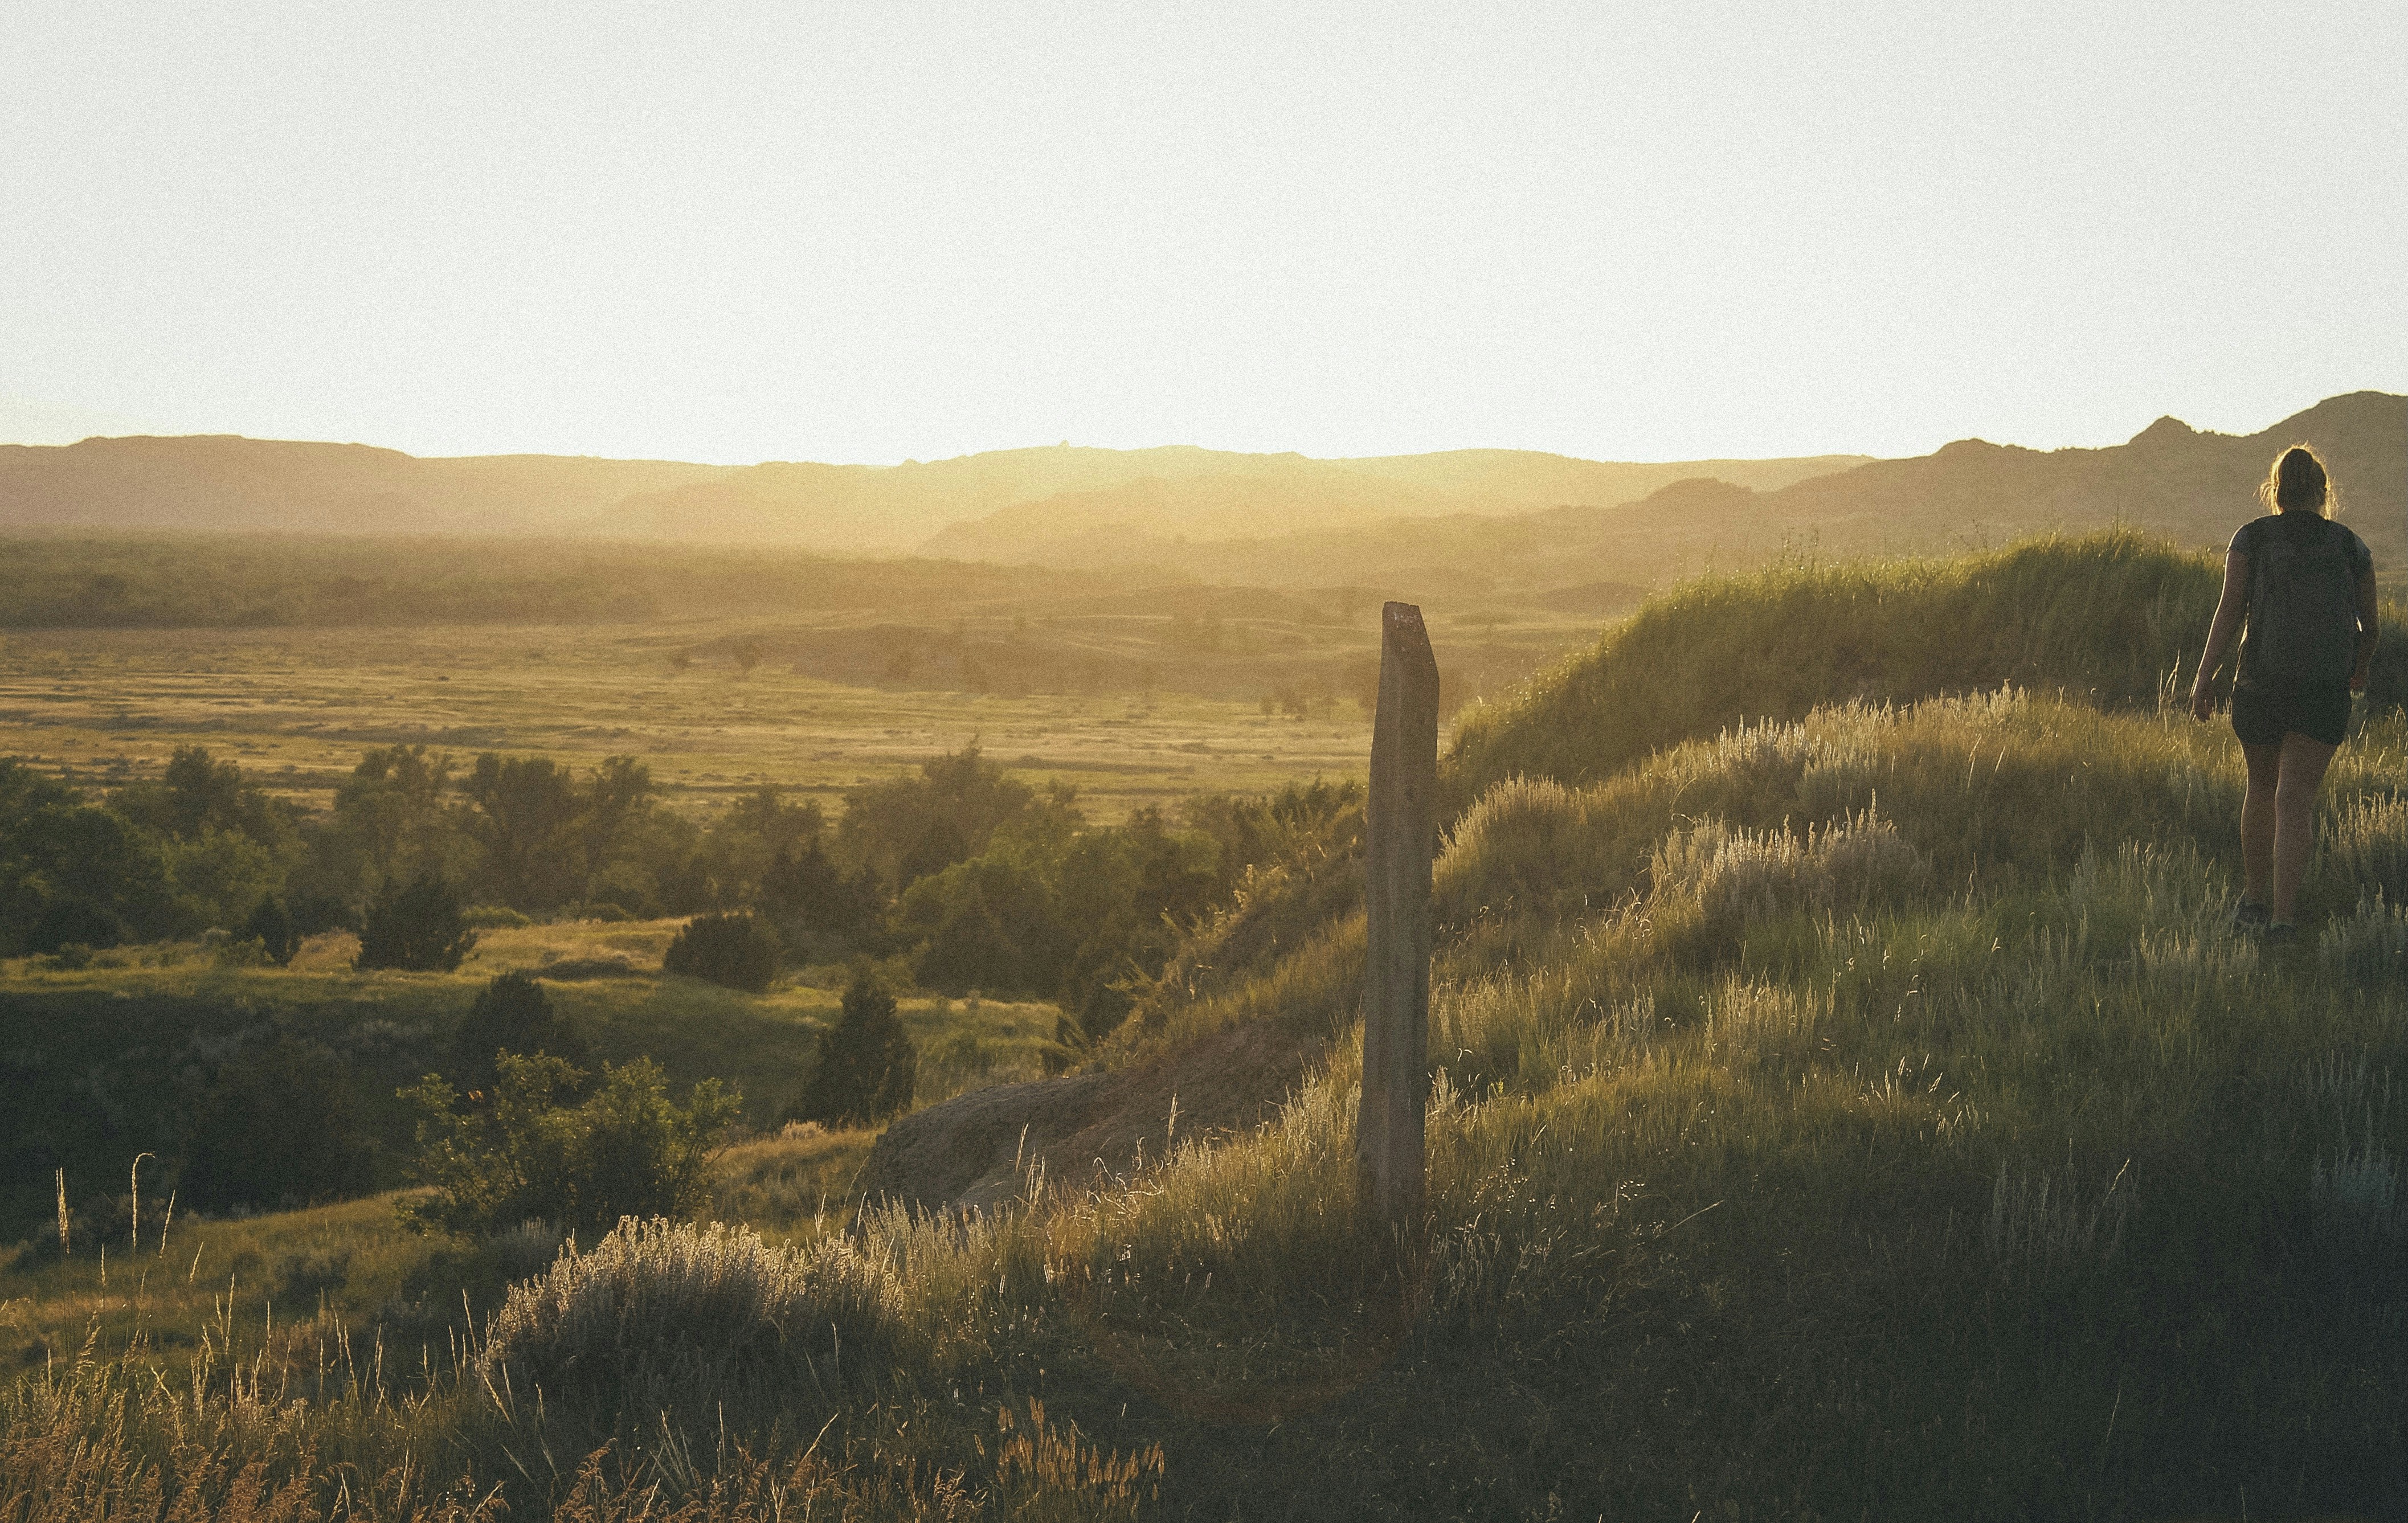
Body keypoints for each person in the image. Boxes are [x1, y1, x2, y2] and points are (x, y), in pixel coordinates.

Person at [2190, 445, 2377, 945]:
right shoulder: (2349, 545)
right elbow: (2370, 627)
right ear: (2322, 491)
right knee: (2295, 801)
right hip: (2322, 689)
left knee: (2261, 790)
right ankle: (2284, 920)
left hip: (2261, 683)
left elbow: (2228, 612)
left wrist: (2203, 676)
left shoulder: (2250, 538)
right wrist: (2355, 670)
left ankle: (2254, 901)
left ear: (2274, 491)